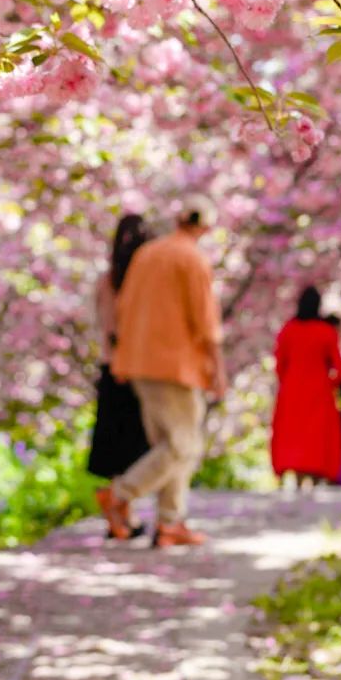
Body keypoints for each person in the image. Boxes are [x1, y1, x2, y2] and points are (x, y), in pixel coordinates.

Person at [96, 196, 225, 549]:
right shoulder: (192, 258)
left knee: (168, 445)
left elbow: (124, 311)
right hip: (176, 365)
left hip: (139, 363)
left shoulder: (147, 254)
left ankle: (170, 523)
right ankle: (121, 494)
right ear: (204, 225)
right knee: (184, 446)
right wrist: (218, 369)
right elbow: (206, 320)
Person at [87, 214, 151, 492]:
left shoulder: (107, 280)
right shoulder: (139, 282)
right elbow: (116, 329)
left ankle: (121, 513)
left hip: (113, 367)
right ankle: (122, 505)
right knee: (135, 444)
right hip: (134, 368)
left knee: (116, 445)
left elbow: (104, 323)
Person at [271, 286, 341, 488]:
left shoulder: (288, 330)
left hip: (292, 389)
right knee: (315, 435)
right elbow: (340, 368)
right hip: (319, 390)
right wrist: (328, 383)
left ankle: (295, 475)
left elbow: (279, 364)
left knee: (293, 433)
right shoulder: (326, 331)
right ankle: (314, 475)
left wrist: (288, 382)